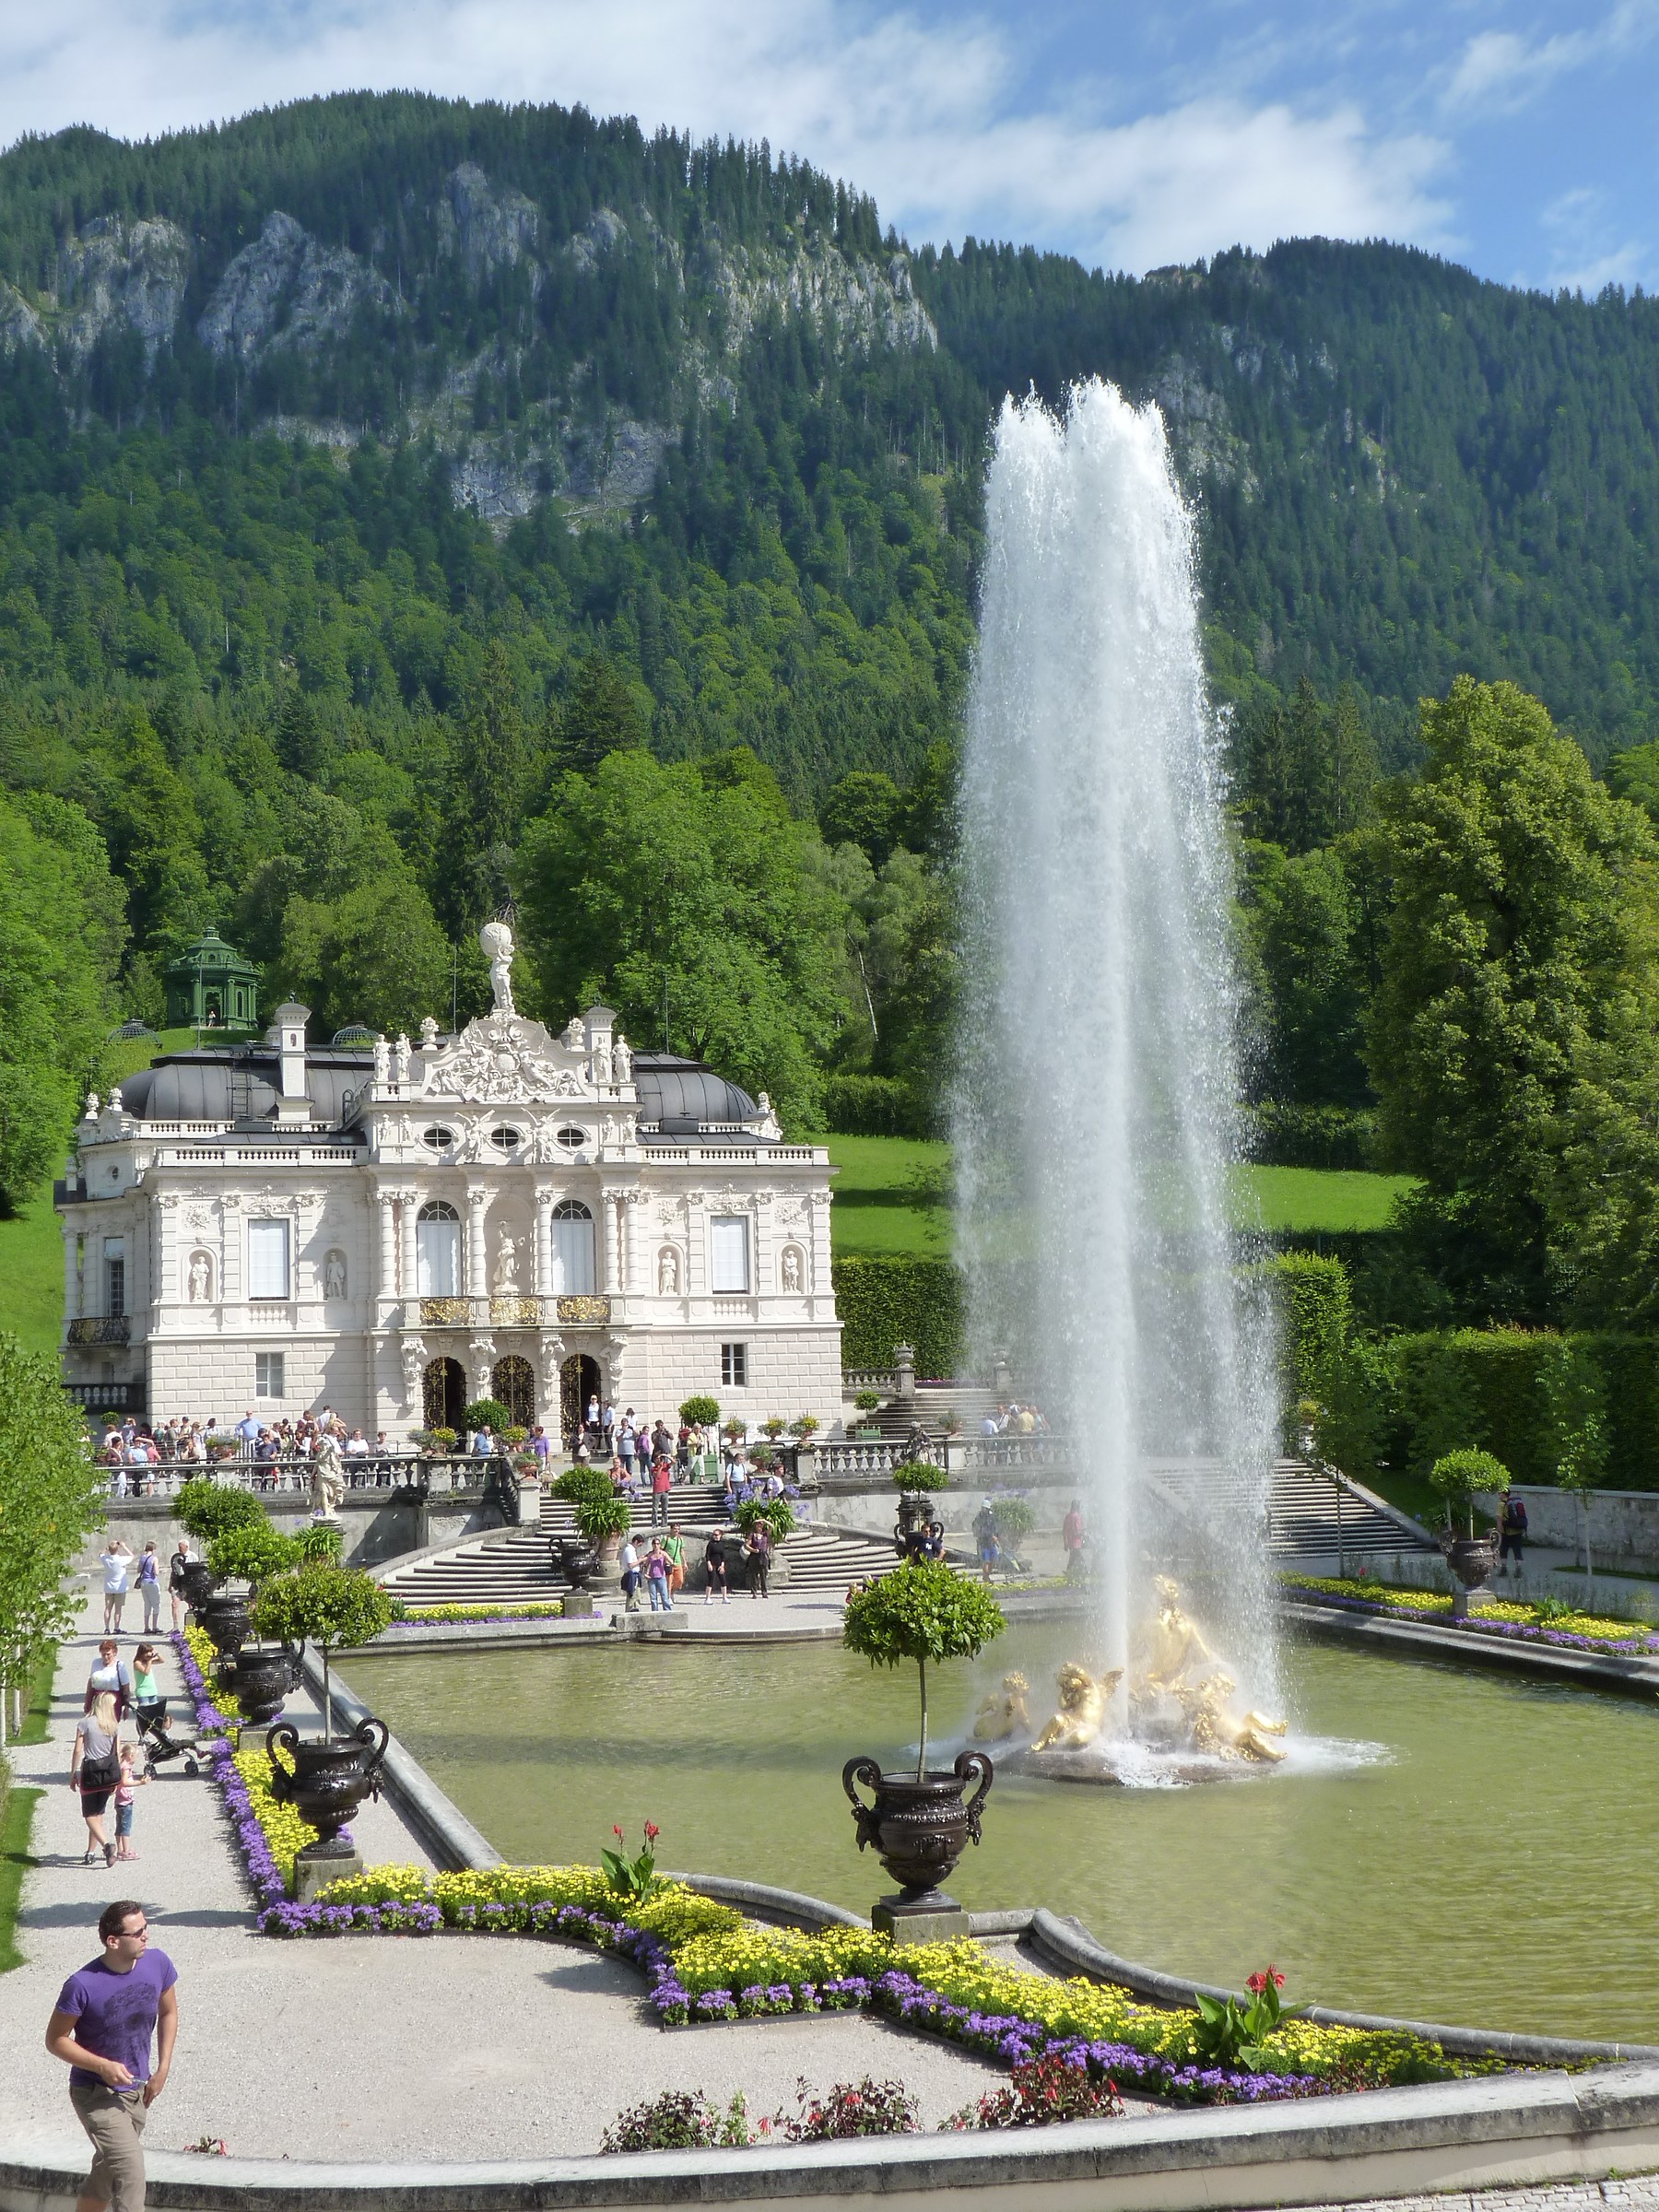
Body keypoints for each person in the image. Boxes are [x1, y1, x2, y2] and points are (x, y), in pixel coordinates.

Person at [46, 1898, 179, 2212]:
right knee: (131, 2174)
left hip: (136, 2090)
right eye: (138, 1932)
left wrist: (163, 2069)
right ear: (113, 1941)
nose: (146, 1935)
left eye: (146, 1928)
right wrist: (102, 2065)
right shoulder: (81, 1985)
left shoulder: (158, 1963)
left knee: (106, 2173)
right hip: (95, 2093)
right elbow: (56, 2040)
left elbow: (169, 2012)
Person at [71, 1692, 124, 1867]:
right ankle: (91, 1852)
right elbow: (116, 1754)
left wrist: (72, 1773)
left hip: (91, 1773)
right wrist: (118, 1779)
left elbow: (78, 1750)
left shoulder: (85, 1723)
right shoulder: (114, 1726)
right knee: (98, 1814)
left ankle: (107, 1846)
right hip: (108, 1774)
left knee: (89, 1815)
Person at [113, 1743, 147, 1862]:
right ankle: (126, 1851)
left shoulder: (120, 1765)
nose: (135, 1759)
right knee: (126, 1827)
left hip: (119, 1800)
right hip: (125, 1801)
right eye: (135, 1756)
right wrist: (140, 1783)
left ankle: (120, 1850)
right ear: (130, 1756)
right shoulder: (126, 1767)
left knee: (119, 1827)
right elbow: (125, 1782)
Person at [85, 1640, 133, 1719]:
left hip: (113, 1701)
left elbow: (126, 1687)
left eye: (108, 1654)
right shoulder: (96, 1663)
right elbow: (91, 1683)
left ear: (114, 1652)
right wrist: (87, 1702)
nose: (105, 1657)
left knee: (110, 1727)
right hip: (97, 1700)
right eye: (103, 1654)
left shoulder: (119, 1665)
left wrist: (126, 1708)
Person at [99, 1539, 134, 1633]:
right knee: (118, 1609)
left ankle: (107, 1628)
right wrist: (124, 1546)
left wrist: (107, 1548)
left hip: (109, 1587)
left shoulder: (106, 1559)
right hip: (120, 1588)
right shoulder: (121, 1560)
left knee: (107, 1608)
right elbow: (132, 1556)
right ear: (117, 1550)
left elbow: (100, 1554)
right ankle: (116, 1627)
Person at [1499, 1488, 1529, 1579]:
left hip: (1506, 1531)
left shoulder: (1501, 1504)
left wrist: (1499, 1529)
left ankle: (1503, 1569)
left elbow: (1499, 1518)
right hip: (1518, 1531)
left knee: (1503, 1550)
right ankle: (1518, 1570)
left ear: (1504, 1494)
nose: (1499, 1495)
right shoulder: (1516, 1503)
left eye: (1500, 1493)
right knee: (1517, 1550)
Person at [135, 1543, 162, 1633]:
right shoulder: (154, 1559)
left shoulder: (142, 1558)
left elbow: (138, 1570)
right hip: (152, 1582)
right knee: (156, 1604)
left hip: (143, 1582)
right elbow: (156, 1572)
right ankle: (155, 1626)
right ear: (153, 1549)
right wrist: (158, 1568)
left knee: (147, 1604)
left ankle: (146, 1627)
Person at [167, 1539, 193, 1630]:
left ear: (186, 1547)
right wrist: (170, 1584)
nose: (179, 1549)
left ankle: (191, 1626)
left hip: (187, 1583)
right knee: (174, 1604)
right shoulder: (176, 1557)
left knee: (191, 1604)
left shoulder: (193, 1556)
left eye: (181, 1547)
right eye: (179, 1547)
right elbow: (173, 1571)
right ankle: (175, 1627)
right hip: (177, 1583)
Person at [744, 1518, 771, 1599]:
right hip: (754, 1556)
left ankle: (764, 1592)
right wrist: (753, 1550)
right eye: (758, 1524)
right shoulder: (752, 1535)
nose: (759, 1526)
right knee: (754, 1575)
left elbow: (772, 1527)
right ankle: (754, 1592)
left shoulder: (765, 1534)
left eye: (761, 1525)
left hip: (763, 1556)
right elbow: (746, 1545)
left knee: (763, 1575)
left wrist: (764, 1520)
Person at [973, 1499, 1000, 1584]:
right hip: (983, 1543)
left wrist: (996, 1536)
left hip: (991, 1543)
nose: (985, 1510)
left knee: (994, 1559)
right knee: (986, 1561)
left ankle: (986, 1575)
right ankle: (987, 1577)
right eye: (984, 1508)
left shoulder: (992, 1517)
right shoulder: (978, 1518)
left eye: (987, 1508)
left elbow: (995, 1527)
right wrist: (990, 1535)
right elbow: (978, 1530)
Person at [703, 1526, 730, 1606]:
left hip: (719, 1564)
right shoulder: (711, 1544)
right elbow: (707, 1555)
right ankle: (707, 1598)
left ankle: (724, 1597)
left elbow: (723, 1556)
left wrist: (722, 1565)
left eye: (717, 1535)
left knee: (723, 1580)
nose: (715, 1536)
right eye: (714, 1535)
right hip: (712, 1563)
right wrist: (709, 1564)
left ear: (720, 1535)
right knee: (710, 1580)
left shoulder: (722, 1544)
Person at [644, 1538, 672, 1613]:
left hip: (661, 1577)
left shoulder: (663, 1554)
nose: (656, 1546)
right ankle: (655, 1612)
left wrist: (666, 1558)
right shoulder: (650, 1555)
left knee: (664, 1596)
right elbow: (646, 1565)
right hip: (652, 1577)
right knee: (653, 1598)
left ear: (660, 1545)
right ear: (652, 1545)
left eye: (657, 1544)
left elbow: (671, 1562)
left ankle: (667, 1612)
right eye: (654, 1544)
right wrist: (645, 1574)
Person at [1062, 1500, 1086, 1581]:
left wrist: (1065, 1542)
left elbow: (1064, 1530)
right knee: (1078, 1558)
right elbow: (1077, 1531)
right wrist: (1083, 1533)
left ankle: (1069, 1572)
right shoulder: (1077, 1516)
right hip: (1076, 1542)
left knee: (1073, 1558)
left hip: (1070, 1542)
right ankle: (1085, 1572)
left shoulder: (1068, 1516)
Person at [618, 1532, 641, 1613]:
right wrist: (640, 1561)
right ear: (636, 1542)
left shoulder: (632, 1550)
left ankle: (636, 1612)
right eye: (639, 1544)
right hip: (631, 1575)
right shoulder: (629, 1550)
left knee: (636, 1597)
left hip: (635, 1575)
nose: (639, 1546)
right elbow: (630, 1565)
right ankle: (630, 1612)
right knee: (632, 1596)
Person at [651, 1450, 673, 1528]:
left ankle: (664, 1524)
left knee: (665, 1509)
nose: (658, 1460)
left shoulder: (666, 1466)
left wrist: (665, 1456)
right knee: (655, 1510)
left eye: (659, 1458)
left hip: (665, 1490)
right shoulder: (653, 1469)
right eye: (657, 1459)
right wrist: (660, 1467)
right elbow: (657, 1475)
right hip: (657, 1491)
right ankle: (654, 1524)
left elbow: (673, 1462)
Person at [664, 1523, 687, 1600]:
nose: (676, 1530)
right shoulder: (666, 1538)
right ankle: (669, 1596)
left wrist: (685, 1562)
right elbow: (661, 1550)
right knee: (669, 1580)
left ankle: (672, 1592)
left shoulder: (680, 1539)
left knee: (680, 1581)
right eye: (675, 1529)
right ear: (671, 1529)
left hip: (678, 1562)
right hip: (668, 1562)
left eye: (678, 1529)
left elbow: (682, 1551)